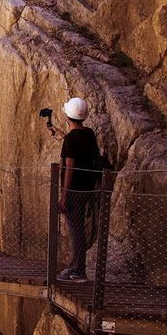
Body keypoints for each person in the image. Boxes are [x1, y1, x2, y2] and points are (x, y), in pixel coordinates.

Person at [52, 96, 102, 282]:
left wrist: (64, 196)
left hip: (74, 191)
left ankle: (78, 271)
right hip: (88, 188)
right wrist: (62, 135)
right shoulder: (89, 134)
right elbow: (77, 144)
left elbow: (70, 167)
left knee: (76, 231)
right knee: (78, 229)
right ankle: (76, 267)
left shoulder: (71, 140)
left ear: (67, 117)